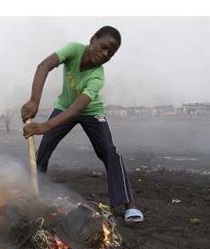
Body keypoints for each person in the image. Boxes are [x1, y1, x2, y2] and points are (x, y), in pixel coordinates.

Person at [21, 25, 144, 223]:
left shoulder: (97, 76)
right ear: (92, 39)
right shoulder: (73, 50)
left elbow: (77, 109)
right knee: (44, 149)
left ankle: (129, 204)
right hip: (64, 106)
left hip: (90, 112)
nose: (105, 54)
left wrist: (45, 126)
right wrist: (34, 100)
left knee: (109, 152)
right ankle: (32, 194)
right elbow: (44, 66)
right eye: (104, 47)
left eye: (111, 53)